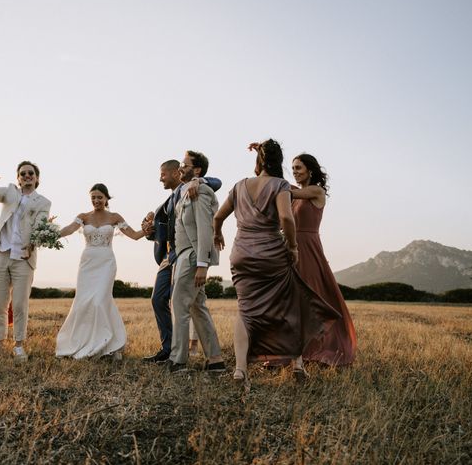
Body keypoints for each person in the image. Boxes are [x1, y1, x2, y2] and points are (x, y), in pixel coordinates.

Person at [213, 139, 340, 383]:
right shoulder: (280, 185)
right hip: (272, 253)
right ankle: (298, 364)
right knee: (289, 305)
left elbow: (218, 217)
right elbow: (286, 218)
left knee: (245, 310)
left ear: (258, 161)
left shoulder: (240, 185)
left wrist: (217, 233)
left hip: (241, 253)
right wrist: (292, 247)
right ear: (280, 162)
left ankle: (240, 369)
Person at [141, 160, 222, 363]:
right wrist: (149, 231)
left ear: (176, 173)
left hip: (186, 254)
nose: (160, 178)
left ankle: (177, 357)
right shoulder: (167, 203)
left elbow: (217, 182)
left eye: (163, 174)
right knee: (191, 304)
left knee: (178, 304)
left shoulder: (197, 189)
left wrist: (199, 179)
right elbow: (168, 229)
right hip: (171, 255)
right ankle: (212, 359)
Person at [55, 183, 145, 359]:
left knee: (99, 300)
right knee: (83, 301)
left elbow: (134, 235)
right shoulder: (83, 217)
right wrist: (52, 233)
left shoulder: (114, 217)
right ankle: (82, 341)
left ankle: (107, 344)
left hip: (106, 262)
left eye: (99, 197)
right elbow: (69, 229)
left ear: (106, 198)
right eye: (93, 198)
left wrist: (148, 229)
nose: (96, 200)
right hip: (87, 262)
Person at [0, 161, 51, 362]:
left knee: (20, 304)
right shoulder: (10, 192)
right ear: (18, 178)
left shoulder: (43, 202)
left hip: (24, 258)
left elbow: (40, 226)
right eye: (23, 173)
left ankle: (19, 346)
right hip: (1, 253)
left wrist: (33, 243)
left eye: (31, 173)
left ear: (37, 178)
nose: (27, 176)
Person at [291, 154, 357, 365]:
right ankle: (292, 350)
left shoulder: (315, 191)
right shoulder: (294, 193)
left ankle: (320, 348)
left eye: (298, 167)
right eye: (292, 168)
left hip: (309, 246)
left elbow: (283, 189)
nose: (294, 171)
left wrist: (268, 174)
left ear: (310, 170)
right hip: (291, 247)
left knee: (312, 294)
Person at [166, 151, 225, 373]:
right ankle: (216, 360)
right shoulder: (186, 191)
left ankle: (178, 360)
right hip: (184, 255)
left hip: (192, 256)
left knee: (179, 305)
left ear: (197, 170)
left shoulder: (201, 190)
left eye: (184, 164)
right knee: (197, 307)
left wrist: (202, 264)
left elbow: (204, 230)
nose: (180, 167)